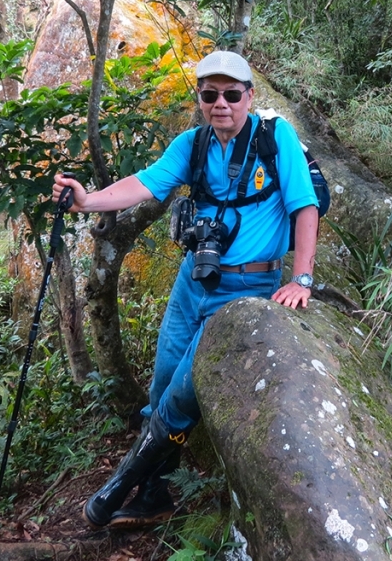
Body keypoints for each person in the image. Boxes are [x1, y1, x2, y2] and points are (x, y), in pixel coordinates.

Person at [52, 50, 318, 529]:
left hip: (248, 287)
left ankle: (114, 493)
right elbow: (145, 184)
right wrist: (88, 201)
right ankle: (155, 493)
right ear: (200, 99)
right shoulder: (192, 144)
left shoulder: (276, 140)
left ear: (249, 97)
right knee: (162, 384)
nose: (221, 104)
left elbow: (305, 206)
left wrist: (301, 278)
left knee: (180, 396)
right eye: (210, 94)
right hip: (192, 281)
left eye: (232, 94)